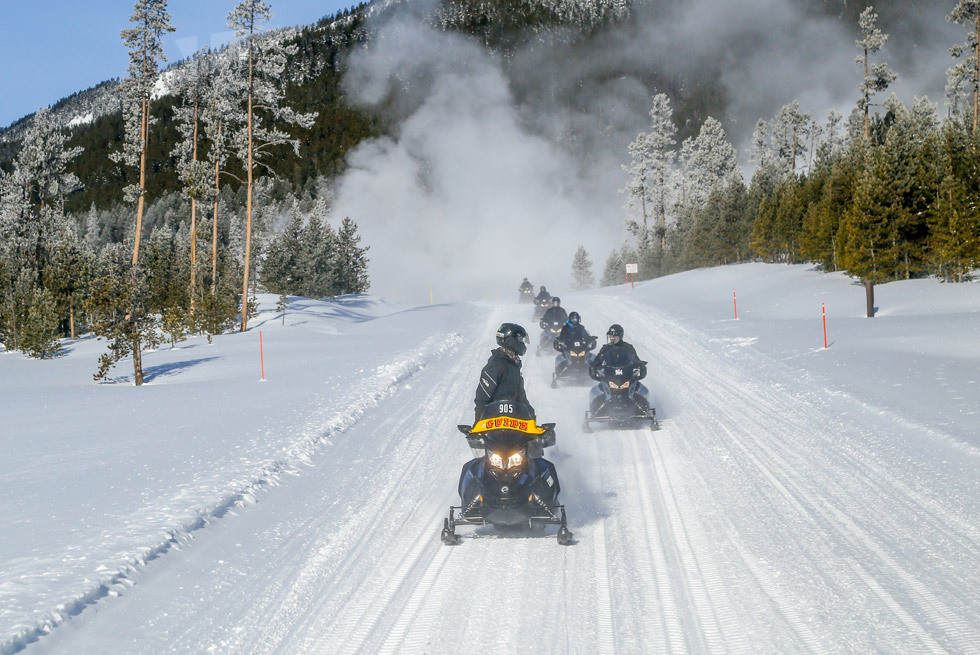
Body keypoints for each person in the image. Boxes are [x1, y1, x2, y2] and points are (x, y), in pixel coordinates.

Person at [474, 323, 533, 423]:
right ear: (511, 340)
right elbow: (482, 395)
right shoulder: (497, 364)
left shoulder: (514, 365)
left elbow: (521, 398)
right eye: (520, 340)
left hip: (514, 422)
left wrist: (532, 419)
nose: (522, 344)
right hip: (494, 422)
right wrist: (478, 422)